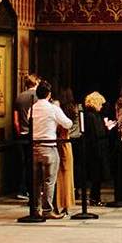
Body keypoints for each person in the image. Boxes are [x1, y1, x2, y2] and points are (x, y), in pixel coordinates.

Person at [31, 81, 72, 218]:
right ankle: (47, 210)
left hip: (34, 146)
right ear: (49, 94)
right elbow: (67, 123)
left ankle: (35, 209)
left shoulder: (32, 108)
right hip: (49, 147)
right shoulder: (52, 108)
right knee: (49, 181)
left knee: (36, 182)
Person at [78, 92, 112, 205]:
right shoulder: (91, 116)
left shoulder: (95, 115)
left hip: (98, 147)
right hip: (95, 149)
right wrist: (107, 128)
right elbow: (96, 133)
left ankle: (95, 197)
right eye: (100, 103)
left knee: (97, 176)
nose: (102, 106)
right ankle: (94, 198)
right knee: (96, 175)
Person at [53, 85, 80, 216]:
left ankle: (57, 203)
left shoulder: (57, 108)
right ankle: (66, 203)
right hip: (67, 142)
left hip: (57, 141)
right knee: (68, 173)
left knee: (57, 174)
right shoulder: (73, 109)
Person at [12, 74, 39, 200]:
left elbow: (16, 120)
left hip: (22, 134)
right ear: (36, 83)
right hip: (34, 134)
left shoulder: (19, 97)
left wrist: (20, 131)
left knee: (22, 163)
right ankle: (31, 189)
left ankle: (21, 189)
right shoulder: (38, 97)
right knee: (32, 163)